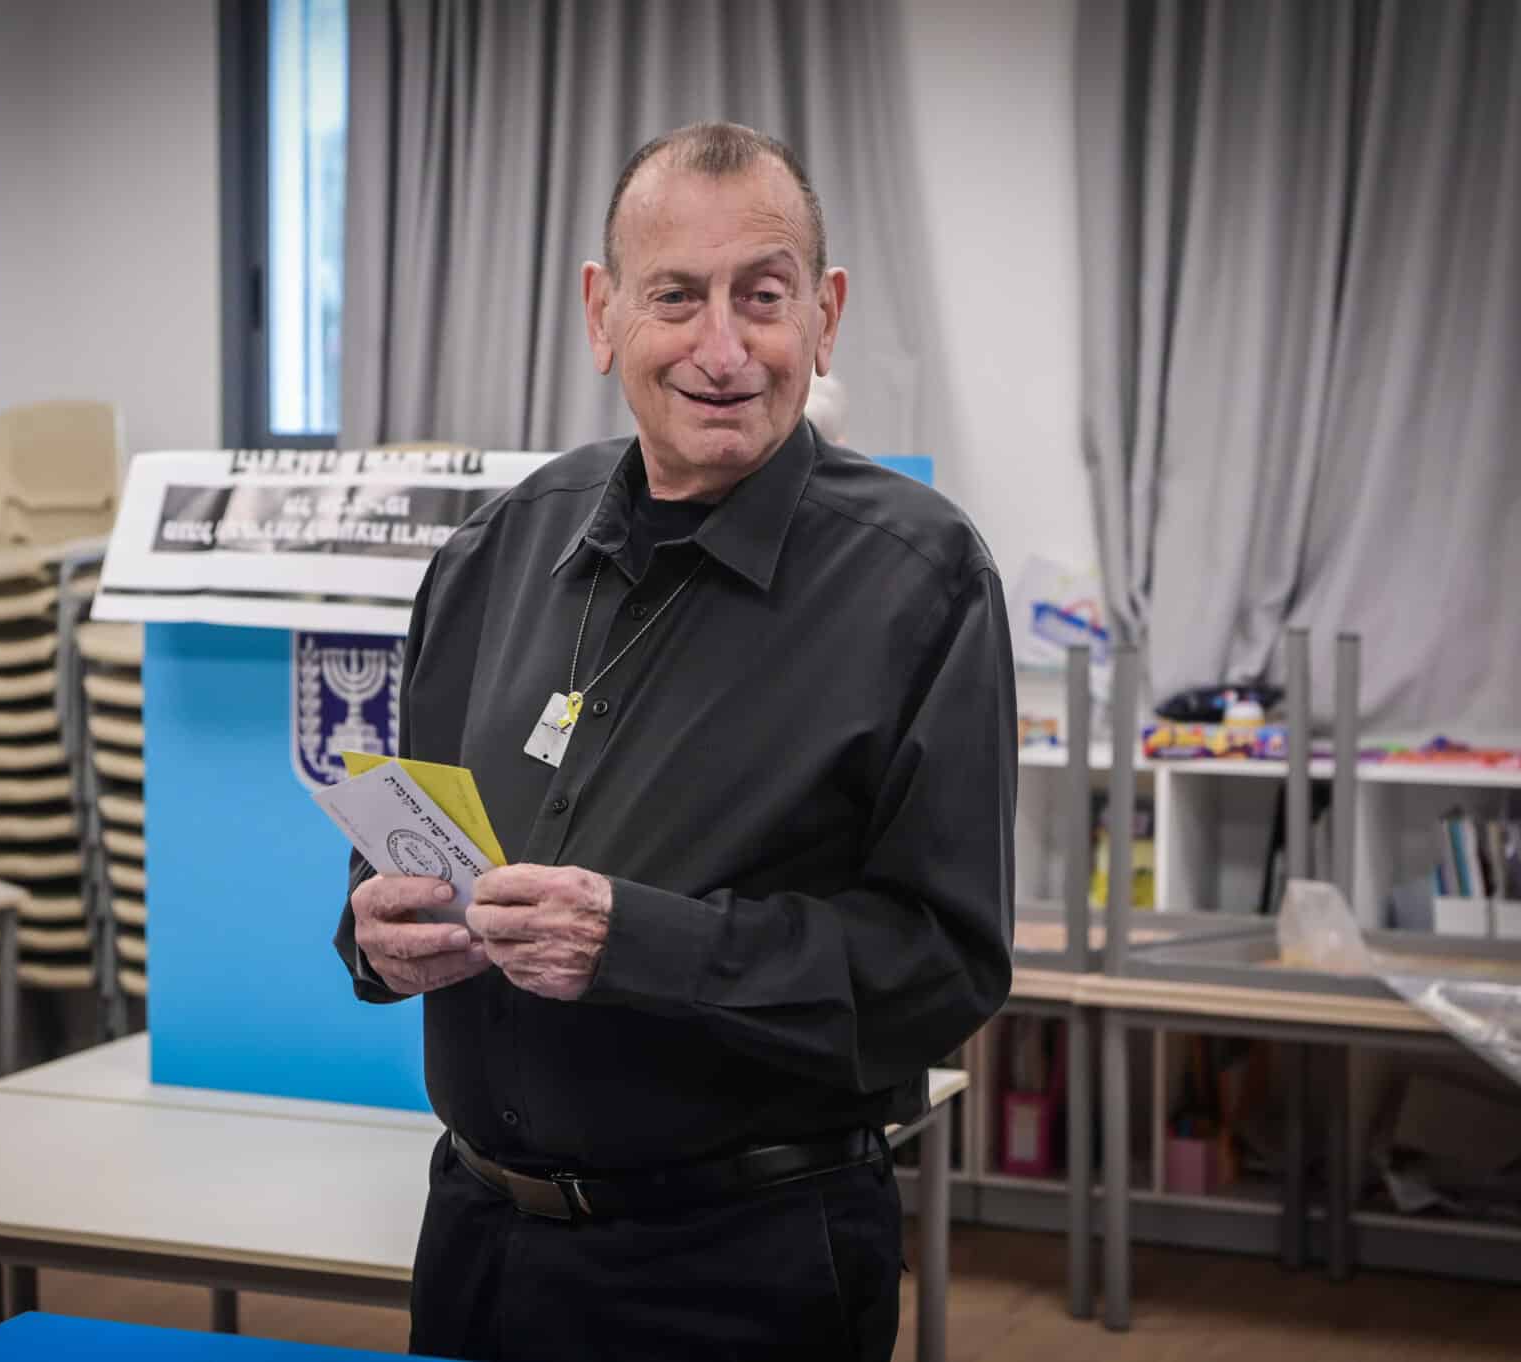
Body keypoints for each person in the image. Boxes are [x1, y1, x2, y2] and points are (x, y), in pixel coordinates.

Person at [335, 121, 1015, 1362]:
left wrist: (643, 945)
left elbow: (942, 968)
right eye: (674, 297)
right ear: (602, 315)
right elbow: (398, 855)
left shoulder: (918, 581)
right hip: (475, 1239)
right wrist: (374, 937)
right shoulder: (492, 553)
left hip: (741, 1268)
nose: (721, 349)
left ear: (823, 315)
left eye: (761, 296)